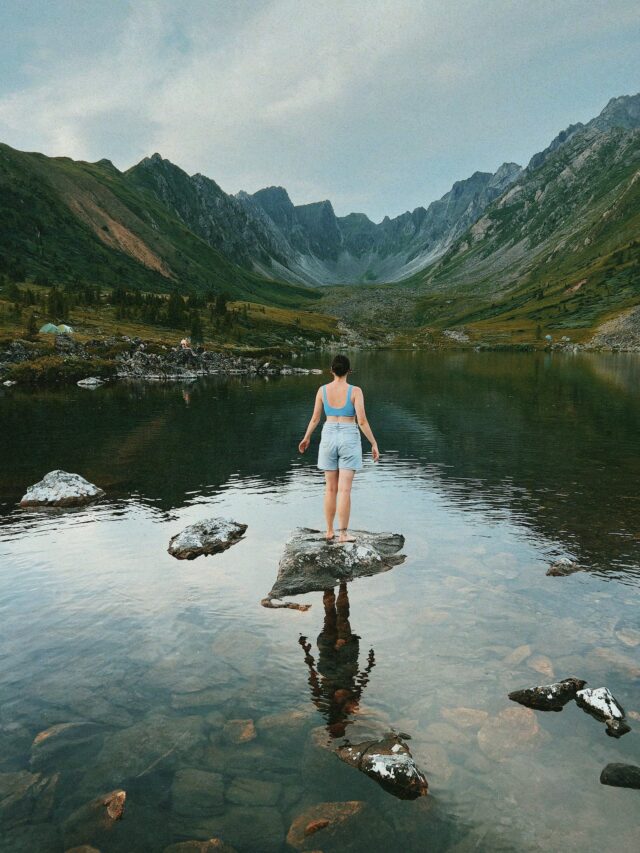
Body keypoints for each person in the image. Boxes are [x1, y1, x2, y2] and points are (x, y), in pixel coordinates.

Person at [298, 354, 379, 542]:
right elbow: (362, 421)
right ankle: (343, 534)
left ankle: (328, 531)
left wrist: (307, 437)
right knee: (344, 491)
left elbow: (315, 419)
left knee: (330, 489)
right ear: (349, 371)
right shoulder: (355, 391)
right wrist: (373, 443)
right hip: (349, 436)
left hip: (328, 435)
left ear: (332, 370)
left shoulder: (322, 390)